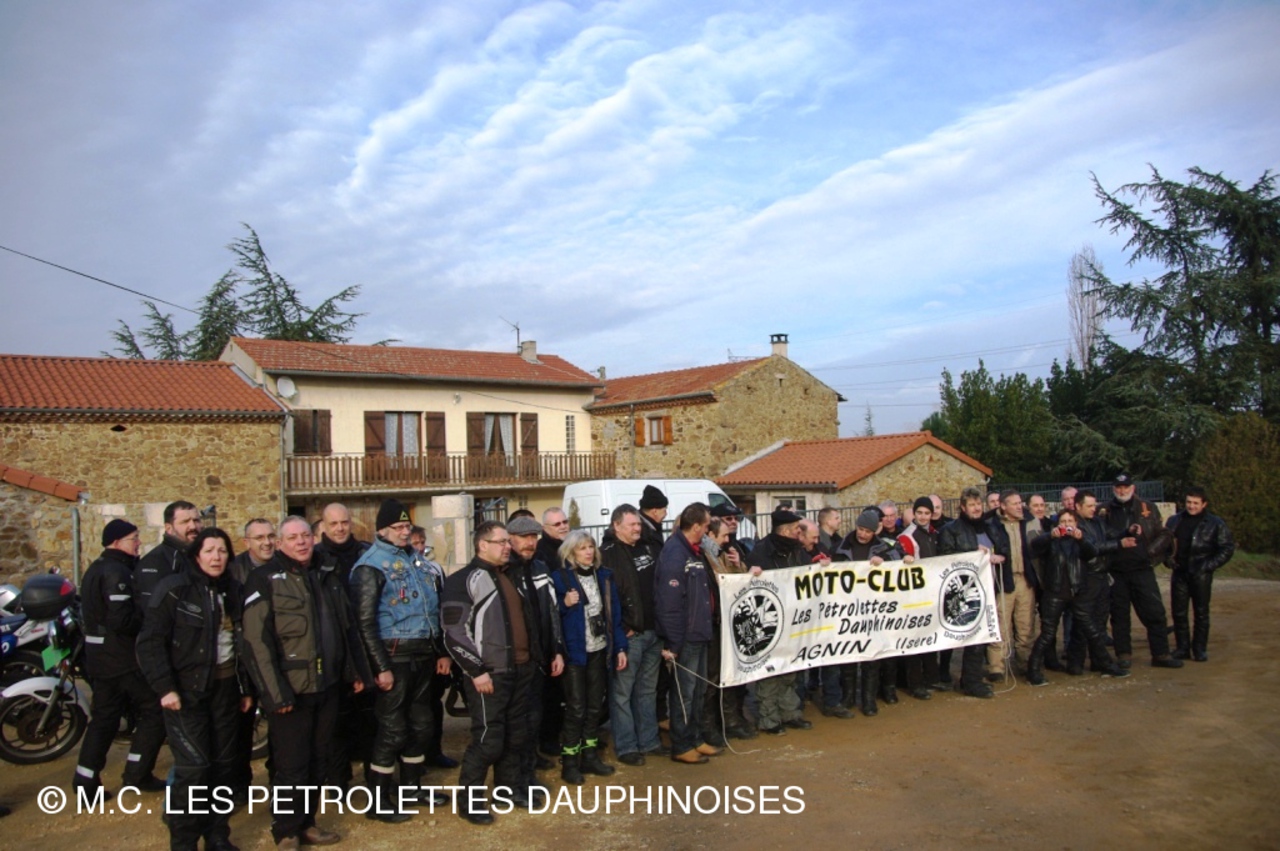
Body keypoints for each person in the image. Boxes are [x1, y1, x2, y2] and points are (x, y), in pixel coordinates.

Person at [241, 516, 370, 850]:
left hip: (327, 685)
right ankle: (286, 830)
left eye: (305, 536)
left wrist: (355, 671)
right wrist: (275, 693)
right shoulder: (264, 578)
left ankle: (307, 823)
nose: (300, 542)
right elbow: (255, 642)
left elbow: (346, 627)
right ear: (280, 543)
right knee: (291, 765)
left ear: (314, 538)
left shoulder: (327, 573)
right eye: (292, 538)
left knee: (318, 760)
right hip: (290, 689)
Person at [137, 527, 252, 851]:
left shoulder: (234, 590)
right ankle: (184, 842)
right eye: (209, 551)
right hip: (186, 693)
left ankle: (218, 836)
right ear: (196, 555)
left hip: (226, 690)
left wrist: (245, 688)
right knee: (193, 769)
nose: (216, 557)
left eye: (222, 551)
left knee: (224, 766)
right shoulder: (174, 589)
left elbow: (241, 644)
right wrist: (165, 688)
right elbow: (150, 642)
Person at [443, 521, 564, 824]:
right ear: (482, 545)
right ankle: (470, 801)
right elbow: (454, 633)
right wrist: (476, 670)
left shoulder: (509, 574)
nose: (507, 547)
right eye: (501, 542)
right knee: (488, 740)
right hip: (490, 674)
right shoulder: (464, 580)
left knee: (516, 735)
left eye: (507, 542)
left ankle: (508, 790)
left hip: (521, 669)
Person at [349, 500, 451, 823]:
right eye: (398, 528)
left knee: (422, 725)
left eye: (408, 527)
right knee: (392, 729)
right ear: (382, 530)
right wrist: (380, 667)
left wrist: (441, 651)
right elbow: (364, 622)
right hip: (394, 655)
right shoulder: (370, 566)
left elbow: (433, 609)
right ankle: (378, 800)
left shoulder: (416, 561)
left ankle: (411, 788)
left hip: (423, 652)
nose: (405, 532)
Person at [73, 519, 167, 797]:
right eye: (133, 538)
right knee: (155, 709)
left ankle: (85, 782)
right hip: (121, 659)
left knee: (104, 718)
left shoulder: (97, 568)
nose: (138, 543)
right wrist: (152, 622)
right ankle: (138, 773)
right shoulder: (116, 571)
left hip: (99, 658)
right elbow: (121, 620)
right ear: (116, 542)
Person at [551, 531, 627, 784]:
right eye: (582, 548)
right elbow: (550, 617)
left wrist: (619, 647)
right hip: (575, 654)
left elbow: (614, 615)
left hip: (599, 649)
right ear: (571, 552)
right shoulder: (560, 578)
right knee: (576, 708)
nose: (588, 552)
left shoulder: (604, 576)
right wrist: (564, 603)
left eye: (590, 547)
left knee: (595, 706)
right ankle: (570, 762)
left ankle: (590, 756)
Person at [1025, 510, 1129, 686]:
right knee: (1047, 633)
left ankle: (1106, 665)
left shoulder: (1081, 540)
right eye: (1063, 521)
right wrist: (1050, 536)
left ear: (1076, 524)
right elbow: (1035, 546)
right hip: (1055, 593)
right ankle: (1033, 670)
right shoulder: (1051, 540)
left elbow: (1092, 552)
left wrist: (1080, 539)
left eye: (1070, 521)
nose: (1067, 525)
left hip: (1078, 592)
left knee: (1092, 630)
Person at [504, 516, 566, 804]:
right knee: (515, 727)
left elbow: (552, 611)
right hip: (513, 661)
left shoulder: (541, 567)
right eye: (523, 537)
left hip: (538, 659)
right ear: (510, 539)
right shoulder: (503, 571)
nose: (530, 542)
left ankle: (527, 778)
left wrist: (556, 649)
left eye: (533, 537)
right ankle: (511, 786)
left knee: (532, 722)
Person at [654, 503, 722, 764]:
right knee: (685, 692)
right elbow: (669, 603)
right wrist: (674, 642)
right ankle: (681, 745)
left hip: (700, 631)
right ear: (696, 527)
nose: (708, 530)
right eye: (706, 526)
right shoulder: (675, 554)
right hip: (686, 637)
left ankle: (695, 738)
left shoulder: (694, 551)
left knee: (698, 690)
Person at [312, 502, 372, 790]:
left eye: (344, 522)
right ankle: (338, 781)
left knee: (369, 717)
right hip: (332, 647)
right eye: (333, 523)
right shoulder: (314, 558)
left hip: (365, 643)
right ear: (323, 526)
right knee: (334, 721)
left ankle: (375, 780)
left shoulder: (366, 553)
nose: (339, 528)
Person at [601, 504, 665, 766]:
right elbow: (607, 599)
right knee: (622, 694)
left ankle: (649, 741)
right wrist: (620, 630)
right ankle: (627, 746)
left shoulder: (647, 547)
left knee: (647, 691)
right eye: (632, 525)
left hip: (653, 632)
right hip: (630, 635)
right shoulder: (607, 555)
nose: (638, 528)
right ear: (616, 526)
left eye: (639, 524)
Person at [1102, 474, 1182, 669]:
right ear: (1113, 489)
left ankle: (1161, 654)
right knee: (1119, 616)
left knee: (1154, 612)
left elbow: (1164, 533)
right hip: (1116, 571)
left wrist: (1150, 552)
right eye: (1118, 487)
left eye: (1125, 486)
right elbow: (1101, 536)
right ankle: (1123, 655)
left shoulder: (1148, 508)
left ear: (1133, 488)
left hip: (1142, 569)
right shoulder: (1104, 511)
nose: (1122, 490)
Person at [746, 508, 814, 734]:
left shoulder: (797, 551)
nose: (799, 532)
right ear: (785, 531)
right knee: (769, 672)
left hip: (794, 618)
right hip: (770, 620)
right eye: (796, 528)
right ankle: (769, 718)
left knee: (790, 669)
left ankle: (790, 712)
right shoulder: (761, 552)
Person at [937, 487, 1003, 699]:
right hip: (964, 590)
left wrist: (999, 556)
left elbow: (1000, 548)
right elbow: (945, 557)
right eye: (972, 505)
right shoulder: (951, 530)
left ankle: (971, 678)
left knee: (981, 636)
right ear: (963, 507)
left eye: (978, 504)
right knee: (968, 635)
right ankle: (963, 679)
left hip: (989, 586)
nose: (976, 508)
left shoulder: (989, 527)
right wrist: (972, 553)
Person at [408, 525, 460, 771]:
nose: (419, 548)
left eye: (422, 543)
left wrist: (444, 652)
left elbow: (443, 610)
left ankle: (434, 752)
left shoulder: (434, 570)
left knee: (433, 703)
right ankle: (412, 759)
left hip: (433, 649)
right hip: (408, 650)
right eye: (414, 543)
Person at [700, 517, 756, 741]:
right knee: (713, 676)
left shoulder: (721, 554)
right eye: (723, 535)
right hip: (713, 623)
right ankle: (712, 724)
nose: (727, 540)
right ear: (711, 535)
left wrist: (739, 565)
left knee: (731, 672)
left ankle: (730, 719)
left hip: (728, 622)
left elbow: (737, 585)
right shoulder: (703, 556)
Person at [1165, 486, 1235, 661]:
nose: (1191, 506)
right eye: (1189, 502)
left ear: (1204, 504)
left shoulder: (1215, 523)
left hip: (1201, 574)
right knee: (1179, 613)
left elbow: (1227, 548)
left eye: (1196, 503)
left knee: (1201, 612)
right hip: (1180, 573)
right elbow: (1165, 545)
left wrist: (1208, 565)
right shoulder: (1174, 520)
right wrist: (1168, 560)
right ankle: (1182, 648)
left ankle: (1199, 649)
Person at [988, 490, 1040, 679]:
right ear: (1003, 506)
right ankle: (997, 667)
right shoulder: (992, 524)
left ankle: (1025, 663)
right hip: (1003, 580)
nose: (1020, 506)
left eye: (1020, 503)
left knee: (1026, 625)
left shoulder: (1030, 522)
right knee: (1001, 625)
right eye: (1015, 503)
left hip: (1025, 580)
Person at [898, 497, 941, 699]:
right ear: (914, 514)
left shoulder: (933, 533)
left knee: (931, 635)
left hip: (932, 591)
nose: (923, 517)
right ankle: (915, 683)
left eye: (927, 513)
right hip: (915, 595)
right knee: (915, 639)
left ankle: (931, 677)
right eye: (919, 513)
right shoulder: (907, 536)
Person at [135, 500, 202, 613]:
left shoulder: (201, 556)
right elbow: (152, 610)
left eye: (196, 520)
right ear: (169, 528)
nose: (193, 526)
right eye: (185, 522)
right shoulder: (155, 561)